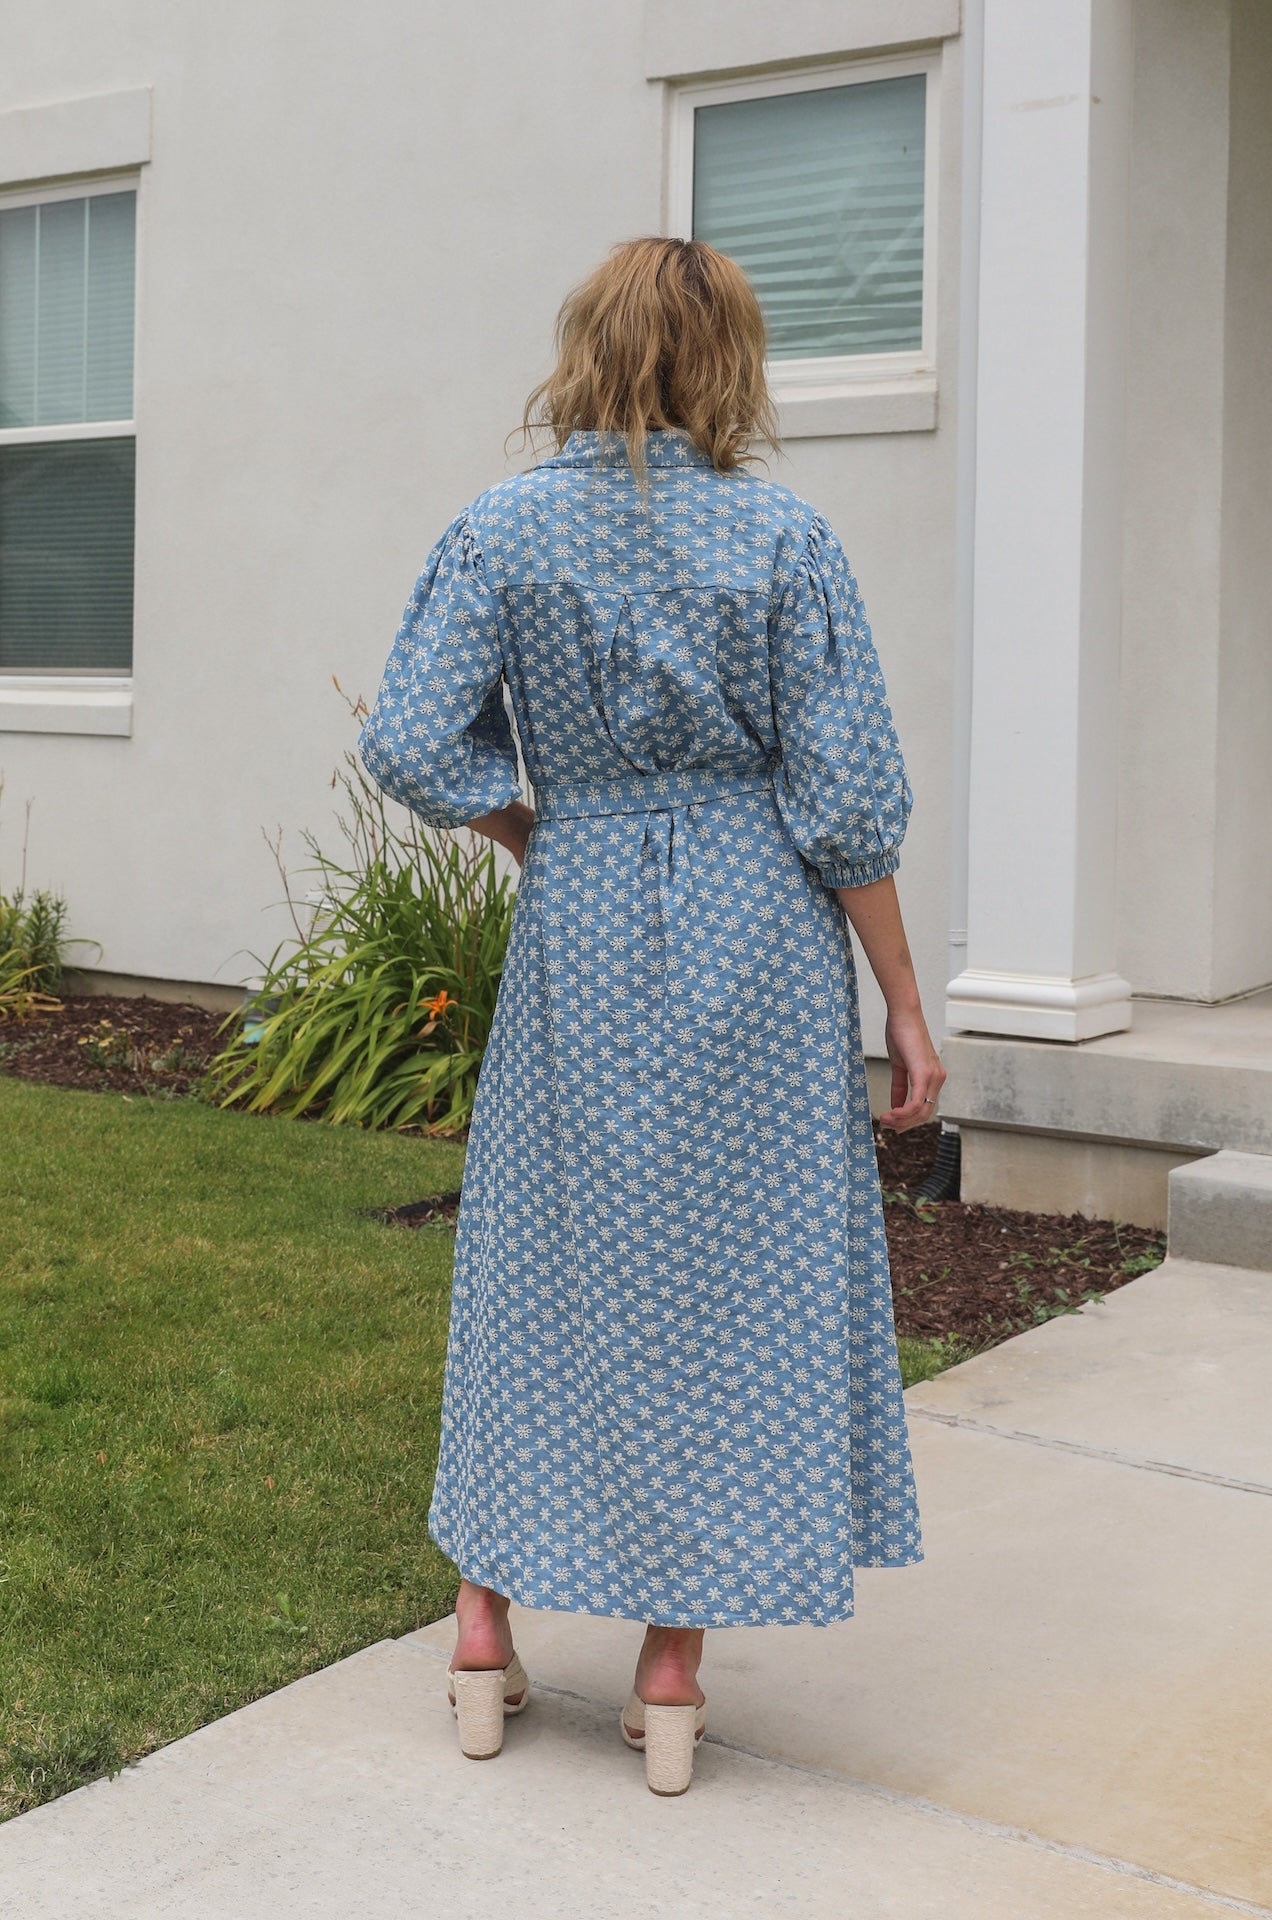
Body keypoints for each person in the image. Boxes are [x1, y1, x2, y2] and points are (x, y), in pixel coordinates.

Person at [357, 236, 946, 1797]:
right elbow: (848, 803)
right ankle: (672, 1673)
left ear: (588, 350)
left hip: (585, 916)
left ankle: (484, 1631)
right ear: (729, 364)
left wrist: (533, 828)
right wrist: (903, 1001)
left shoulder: (503, 532)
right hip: (756, 927)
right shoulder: (784, 539)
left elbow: (412, 737)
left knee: (539, 1258)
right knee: (734, 1283)